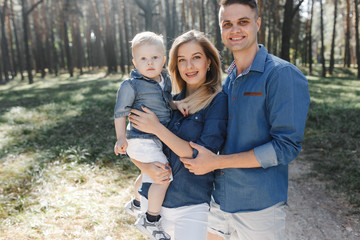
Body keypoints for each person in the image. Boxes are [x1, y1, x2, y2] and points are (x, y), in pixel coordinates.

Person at [179, 1, 311, 239]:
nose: (235, 30)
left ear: (257, 23)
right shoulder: (228, 80)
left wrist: (217, 163)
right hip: (219, 200)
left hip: (259, 207)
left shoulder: (282, 74)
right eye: (227, 24)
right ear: (221, 29)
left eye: (243, 22)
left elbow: (286, 147)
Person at [128, 30, 228, 240]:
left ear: (209, 62)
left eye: (196, 58)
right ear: (175, 65)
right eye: (182, 60)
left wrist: (157, 128)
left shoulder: (217, 101)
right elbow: (138, 142)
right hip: (154, 205)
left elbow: (200, 155)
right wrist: (145, 167)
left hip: (191, 205)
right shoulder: (169, 100)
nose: (189, 66)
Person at [113, 31, 184, 240]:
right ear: (135, 62)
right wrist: (120, 138)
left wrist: (176, 104)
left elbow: (165, 102)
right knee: (163, 176)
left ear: (163, 59)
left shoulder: (165, 80)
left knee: (148, 173)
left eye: (154, 58)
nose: (149, 63)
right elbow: (120, 113)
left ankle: (136, 202)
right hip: (140, 137)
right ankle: (150, 220)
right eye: (143, 58)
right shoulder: (131, 85)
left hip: (156, 137)